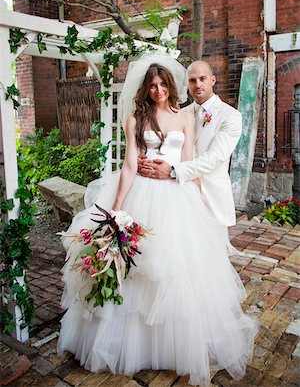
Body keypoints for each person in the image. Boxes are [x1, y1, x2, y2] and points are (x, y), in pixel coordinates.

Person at [57, 53, 257, 387]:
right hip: (143, 194)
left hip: (176, 192)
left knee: (180, 270)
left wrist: (196, 203)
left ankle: (176, 344)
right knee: (137, 268)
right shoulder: (137, 119)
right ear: (146, 89)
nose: (159, 89)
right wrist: (116, 208)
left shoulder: (192, 117)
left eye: (164, 84)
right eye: (153, 85)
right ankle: (130, 343)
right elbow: (129, 165)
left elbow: (194, 159)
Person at [139, 60, 242, 227]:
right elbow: (165, 147)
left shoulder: (230, 116)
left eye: (203, 79)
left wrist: (172, 171)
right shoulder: (180, 113)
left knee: (211, 249)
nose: (198, 84)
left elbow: (214, 158)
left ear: (213, 80)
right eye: (192, 80)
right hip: (178, 194)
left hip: (211, 194)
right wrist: (143, 159)